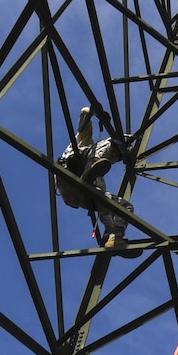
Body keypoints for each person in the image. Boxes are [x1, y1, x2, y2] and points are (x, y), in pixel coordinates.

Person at [55, 104, 140, 256]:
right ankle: (87, 175)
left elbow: (104, 209)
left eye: (117, 158)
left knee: (125, 207)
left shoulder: (100, 181)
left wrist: (110, 227)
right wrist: (95, 112)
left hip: (77, 195)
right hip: (70, 172)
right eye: (115, 153)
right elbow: (84, 114)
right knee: (103, 150)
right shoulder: (86, 144)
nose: (113, 157)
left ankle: (114, 239)